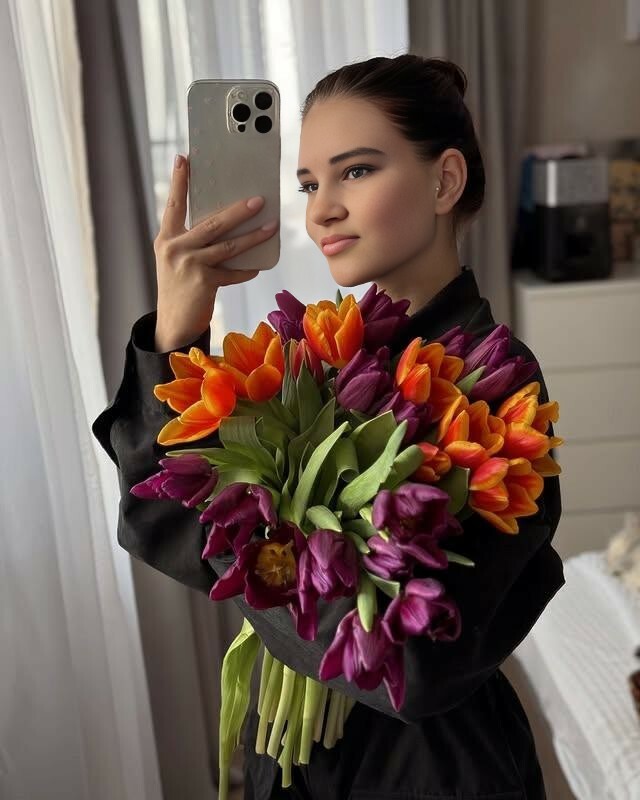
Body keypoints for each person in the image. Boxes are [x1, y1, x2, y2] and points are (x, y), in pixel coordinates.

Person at [92, 54, 564, 799]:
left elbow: (411, 666)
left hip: (427, 775)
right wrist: (178, 332)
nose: (320, 212)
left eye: (357, 171)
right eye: (310, 184)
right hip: (288, 762)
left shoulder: (501, 388)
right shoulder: (311, 354)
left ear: (444, 181)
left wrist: (253, 561)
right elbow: (154, 513)